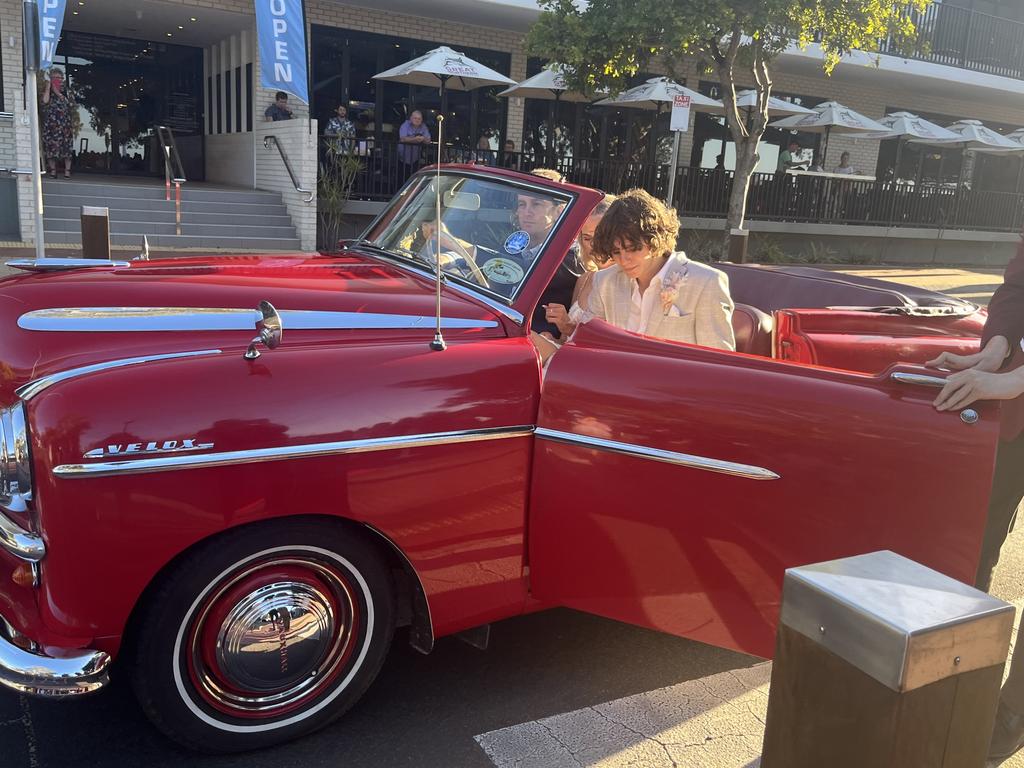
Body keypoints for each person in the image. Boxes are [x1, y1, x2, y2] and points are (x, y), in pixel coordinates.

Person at [926, 230, 1024, 763]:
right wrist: (996, 349)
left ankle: (1013, 714)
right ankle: (959, 687)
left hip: (1017, 394)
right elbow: (1016, 289)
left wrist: (1014, 382)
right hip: (1015, 421)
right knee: (975, 547)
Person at [585, 188, 735, 350]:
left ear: (656, 238)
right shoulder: (605, 282)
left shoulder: (706, 282)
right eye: (616, 252)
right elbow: (588, 344)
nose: (624, 259)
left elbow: (719, 361)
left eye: (633, 248)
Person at [543, 194, 616, 340]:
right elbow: (565, 341)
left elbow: (613, 343)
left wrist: (568, 327)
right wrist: (554, 335)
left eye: (601, 237)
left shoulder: (626, 282)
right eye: (587, 238)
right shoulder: (584, 280)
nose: (595, 245)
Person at [41, 68, 74, 179]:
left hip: (64, 125)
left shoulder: (66, 90)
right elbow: (44, 101)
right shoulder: (48, 90)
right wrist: (48, 88)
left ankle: (67, 171)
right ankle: (53, 171)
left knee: (67, 148)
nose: (57, 80)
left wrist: (58, 92)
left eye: (59, 78)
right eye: (54, 78)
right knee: (51, 148)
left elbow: (70, 104)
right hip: (51, 124)